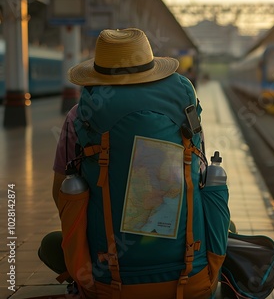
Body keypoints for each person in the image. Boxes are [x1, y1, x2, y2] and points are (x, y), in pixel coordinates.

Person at [38, 28, 230, 299]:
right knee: (227, 227)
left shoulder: (78, 117)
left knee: (49, 245)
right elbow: (200, 180)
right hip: (193, 280)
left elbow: (62, 197)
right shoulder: (186, 110)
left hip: (106, 283)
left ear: (99, 72)